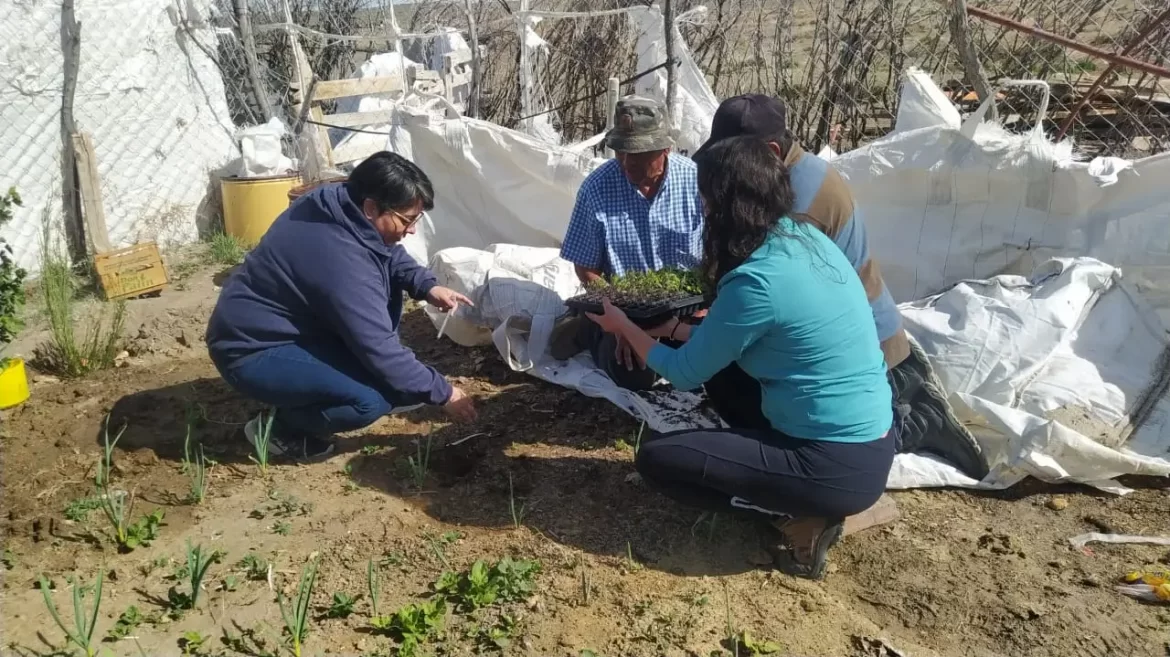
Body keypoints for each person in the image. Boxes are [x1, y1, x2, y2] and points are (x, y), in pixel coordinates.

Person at [586, 136, 896, 580]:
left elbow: (682, 373)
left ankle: (797, 517)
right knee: (728, 376)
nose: (703, 211)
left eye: (707, 200)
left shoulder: (756, 282)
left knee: (660, 459)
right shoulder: (805, 237)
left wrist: (623, 327)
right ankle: (794, 488)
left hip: (834, 465)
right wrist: (669, 328)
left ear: (726, 204)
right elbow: (733, 337)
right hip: (874, 437)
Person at [693, 94, 987, 481]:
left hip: (857, 350)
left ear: (770, 150)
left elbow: (768, 299)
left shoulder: (794, 209)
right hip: (864, 334)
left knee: (729, 380)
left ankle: (910, 426)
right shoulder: (802, 169)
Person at [205, 151, 477, 460]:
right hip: (252, 349)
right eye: (407, 219)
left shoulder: (339, 204)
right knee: (367, 401)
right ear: (372, 207)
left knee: (397, 385)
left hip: (298, 332)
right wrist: (445, 393)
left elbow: (385, 248)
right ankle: (277, 429)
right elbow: (378, 347)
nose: (412, 229)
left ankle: (314, 390)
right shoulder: (340, 260)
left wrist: (426, 285)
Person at [550, 95, 704, 390]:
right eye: (620, 152)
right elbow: (585, 267)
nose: (626, 162)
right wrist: (622, 325)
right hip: (625, 307)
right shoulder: (597, 188)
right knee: (633, 373)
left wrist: (709, 308)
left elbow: (718, 252)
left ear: (665, 148)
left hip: (687, 307)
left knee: (719, 362)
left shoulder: (696, 182)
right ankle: (591, 329)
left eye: (637, 154)